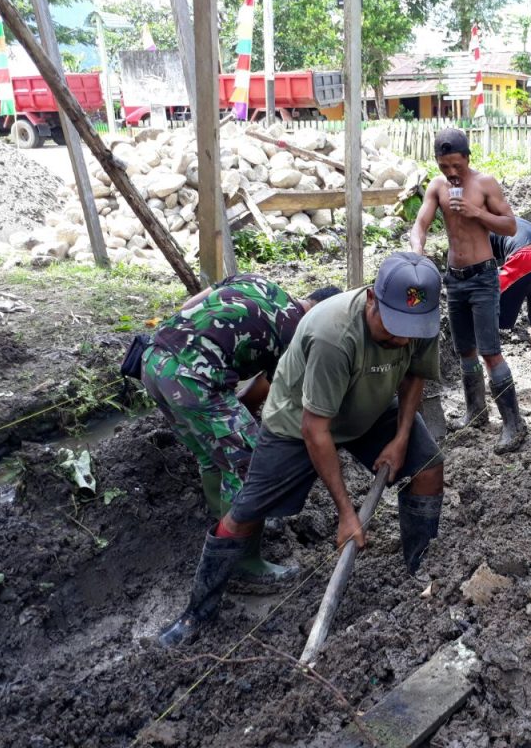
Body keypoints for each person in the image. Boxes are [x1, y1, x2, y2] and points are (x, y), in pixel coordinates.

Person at [158, 253, 446, 648]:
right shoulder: (334, 333)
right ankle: (196, 614)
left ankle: (422, 568)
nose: (402, 339)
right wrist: (347, 514)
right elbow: (316, 430)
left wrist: (400, 439)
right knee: (245, 512)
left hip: (371, 407)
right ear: (372, 299)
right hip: (298, 422)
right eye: (393, 328)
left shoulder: (419, 321)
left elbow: (415, 375)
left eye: (411, 331)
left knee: (428, 467)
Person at [141, 276, 340, 589]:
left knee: (211, 454)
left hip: (153, 361)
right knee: (251, 465)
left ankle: (223, 526)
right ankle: (242, 564)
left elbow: (189, 306)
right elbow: (281, 399)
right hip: (194, 379)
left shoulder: (258, 283)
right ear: (323, 314)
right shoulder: (296, 332)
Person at [410, 128, 527, 455]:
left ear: (467, 159)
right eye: (444, 166)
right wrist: (416, 248)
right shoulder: (437, 187)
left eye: (456, 166)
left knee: (490, 352)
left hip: (483, 278)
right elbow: (419, 224)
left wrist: (477, 213)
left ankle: (514, 424)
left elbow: (511, 225)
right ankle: (475, 411)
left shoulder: (485, 184)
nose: (450, 173)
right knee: (464, 350)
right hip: (455, 278)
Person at [489, 218, 531, 364]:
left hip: (524, 254)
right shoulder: (508, 219)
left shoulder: (483, 227)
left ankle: (488, 360)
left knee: (487, 300)